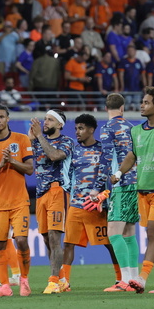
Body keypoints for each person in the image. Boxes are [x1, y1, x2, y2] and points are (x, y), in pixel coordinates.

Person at [112, 87, 154, 294]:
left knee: (153, 233)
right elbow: (132, 155)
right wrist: (119, 172)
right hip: (142, 189)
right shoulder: (136, 131)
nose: (142, 105)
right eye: (142, 102)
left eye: (146, 102)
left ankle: (141, 278)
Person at [0, 104, 34, 297]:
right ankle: (4, 286)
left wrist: (12, 162)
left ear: (8, 118)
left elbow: (29, 169)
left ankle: (24, 280)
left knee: (21, 240)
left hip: (19, 201)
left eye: (2, 117)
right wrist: (0, 165)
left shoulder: (21, 139)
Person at [62, 113, 122, 291]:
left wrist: (104, 196)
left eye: (81, 128)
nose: (77, 132)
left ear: (91, 130)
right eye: (76, 128)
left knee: (109, 244)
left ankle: (121, 279)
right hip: (76, 205)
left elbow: (113, 177)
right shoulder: (74, 150)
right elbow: (68, 176)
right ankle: (64, 282)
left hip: (97, 207)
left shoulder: (104, 150)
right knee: (68, 244)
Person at [95, 93, 140, 292]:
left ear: (107, 109)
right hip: (136, 182)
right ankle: (134, 278)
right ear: (122, 108)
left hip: (121, 184)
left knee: (113, 233)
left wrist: (98, 187)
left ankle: (125, 280)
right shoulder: (132, 128)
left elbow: (106, 158)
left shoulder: (107, 129)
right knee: (129, 232)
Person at [28, 109, 72, 294]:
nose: (45, 122)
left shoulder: (66, 142)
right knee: (46, 238)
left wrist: (38, 136)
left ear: (60, 125)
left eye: (50, 120)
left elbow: (54, 156)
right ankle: (61, 279)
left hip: (57, 190)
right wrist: (31, 138)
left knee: (55, 238)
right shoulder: (37, 141)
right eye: (45, 119)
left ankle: (53, 281)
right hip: (41, 193)